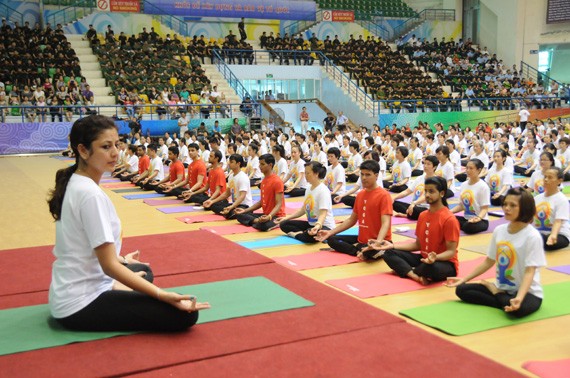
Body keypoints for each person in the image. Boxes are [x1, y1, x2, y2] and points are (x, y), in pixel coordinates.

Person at [46, 115, 209, 332]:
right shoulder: (89, 194)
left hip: (71, 289)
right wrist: (162, 295)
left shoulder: (78, 183)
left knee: (142, 270)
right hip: (79, 303)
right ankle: (122, 288)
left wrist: (122, 261)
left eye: (117, 144)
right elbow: (108, 265)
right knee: (185, 313)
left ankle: (121, 284)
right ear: (83, 151)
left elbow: (84, 249)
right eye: (105, 147)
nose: (115, 152)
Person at [447, 188, 546, 318]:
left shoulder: (532, 236)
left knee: (518, 309)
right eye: (505, 204)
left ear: (524, 209)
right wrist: (464, 279)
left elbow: (530, 272)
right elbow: (489, 261)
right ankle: (502, 298)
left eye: (512, 205)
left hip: (528, 292)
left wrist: (519, 297)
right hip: (504, 288)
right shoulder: (499, 230)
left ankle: (496, 292)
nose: (506, 208)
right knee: (462, 290)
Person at [369, 176, 460, 285]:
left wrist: (436, 257)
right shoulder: (422, 215)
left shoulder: (449, 219)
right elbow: (417, 245)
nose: (427, 195)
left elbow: (451, 252)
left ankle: (406, 269)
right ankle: (414, 275)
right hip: (424, 258)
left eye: (431, 191)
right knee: (388, 253)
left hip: (443, 263)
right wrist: (392, 246)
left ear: (442, 193)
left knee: (428, 267)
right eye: (425, 191)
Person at [315, 160, 392, 260]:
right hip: (362, 240)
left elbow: (386, 223)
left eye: (368, 175)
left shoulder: (384, 195)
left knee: (377, 253)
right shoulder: (360, 195)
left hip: (380, 241)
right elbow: (351, 220)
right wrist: (330, 232)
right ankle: (359, 251)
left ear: (376, 175)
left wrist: (378, 242)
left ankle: (365, 251)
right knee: (332, 240)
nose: (364, 178)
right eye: (362, 174)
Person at [276, 161, 336, 243]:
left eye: (308, 173)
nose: (305, 176)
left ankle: (297, 235)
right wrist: (286, 218)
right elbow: (303, 210)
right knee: (284, 224)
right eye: (305, 173)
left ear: (316, 174)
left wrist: (318, 226)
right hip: (311, 224)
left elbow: (323, 213)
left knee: (311, 235)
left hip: (324, 226)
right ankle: (303, 233)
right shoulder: (308, 189)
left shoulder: (323, 190)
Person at [235, 154, 285, 231]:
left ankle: (262, 222)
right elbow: (261, 202)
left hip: (276, 216)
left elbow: (279, 204)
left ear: (270, 165)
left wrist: (269, 216)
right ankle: (257, 221)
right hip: (265, 215)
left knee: (263, 226)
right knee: (240, 215)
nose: (259, 166)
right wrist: (245, 210)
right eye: (259, 164)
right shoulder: (264, 180)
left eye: (262, 164)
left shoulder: (277, 181)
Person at [203, 154, 253, 219]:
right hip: (234, 204)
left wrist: (231, 207)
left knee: (232, 213)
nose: (229, 163)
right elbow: (226, 194)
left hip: (244, 206)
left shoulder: (243, 177)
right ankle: (228, 211)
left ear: (238, 163)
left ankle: (231, 212)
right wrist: (212, 201)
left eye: (232, 162)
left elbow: (242, 197)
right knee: (213, 205)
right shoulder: (231, 176)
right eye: (229, 161)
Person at [533, 167, 570, 251]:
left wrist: (553, 235)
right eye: (545, 177)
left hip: (559, 234)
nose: (546, 179)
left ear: (559, 181)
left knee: (545, 241)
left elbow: (558, 221)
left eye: (550, 177)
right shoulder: (537, 198)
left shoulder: (562, 199)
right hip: (540, 233)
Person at [392, 155, 439, 220]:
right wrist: (394, 197)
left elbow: (426, 197)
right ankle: (408, 213)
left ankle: (406, 214)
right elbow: (407, 191)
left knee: (416, 210)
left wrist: (414, 203)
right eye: (424, 163)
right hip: (413, 205)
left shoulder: (436, 181)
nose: (425, 166)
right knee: (392, 203)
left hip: (426, 208)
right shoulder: (420, 178)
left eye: (428, 164)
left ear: (434, 167)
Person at [451, 159, 490, 234]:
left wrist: (478, 218)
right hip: (466, 219)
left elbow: (484, 208)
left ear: (479, 170)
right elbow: (461, 206)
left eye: (471, 168)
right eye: (467, 168)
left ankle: (460, 225)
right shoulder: (463, 185)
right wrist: (449, 212)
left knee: (469, 227)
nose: (468, 170)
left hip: (480, 220)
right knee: (447, 219)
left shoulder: (483, 187)